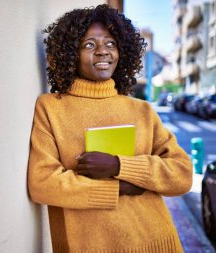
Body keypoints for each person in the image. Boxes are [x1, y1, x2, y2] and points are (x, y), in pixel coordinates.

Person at [27, 4, 192, 253]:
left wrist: (118, 166)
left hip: (155, 241)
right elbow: (43, 183)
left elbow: (182, 174)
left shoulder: (142, 111)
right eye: (89, 44)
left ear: (122, 51)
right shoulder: (51, 108)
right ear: (70, 53)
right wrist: (122, 187)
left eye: (111, 44)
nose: (103, 52)